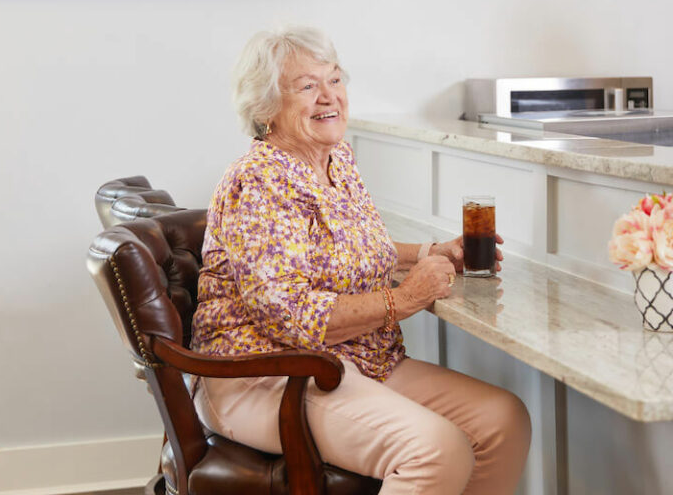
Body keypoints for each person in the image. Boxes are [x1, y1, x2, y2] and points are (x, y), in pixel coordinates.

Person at [190, 25, 530, 495]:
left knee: (502, 419)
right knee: (434, 449)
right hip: (268, 376)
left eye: (334, 79)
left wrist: (430, 253)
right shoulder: (261, 181)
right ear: (266, 107)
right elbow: (287, 314)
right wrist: (405, 298)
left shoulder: (336, 160)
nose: (329, 96)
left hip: (354, 359)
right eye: (307, 86)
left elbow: (352, 251)